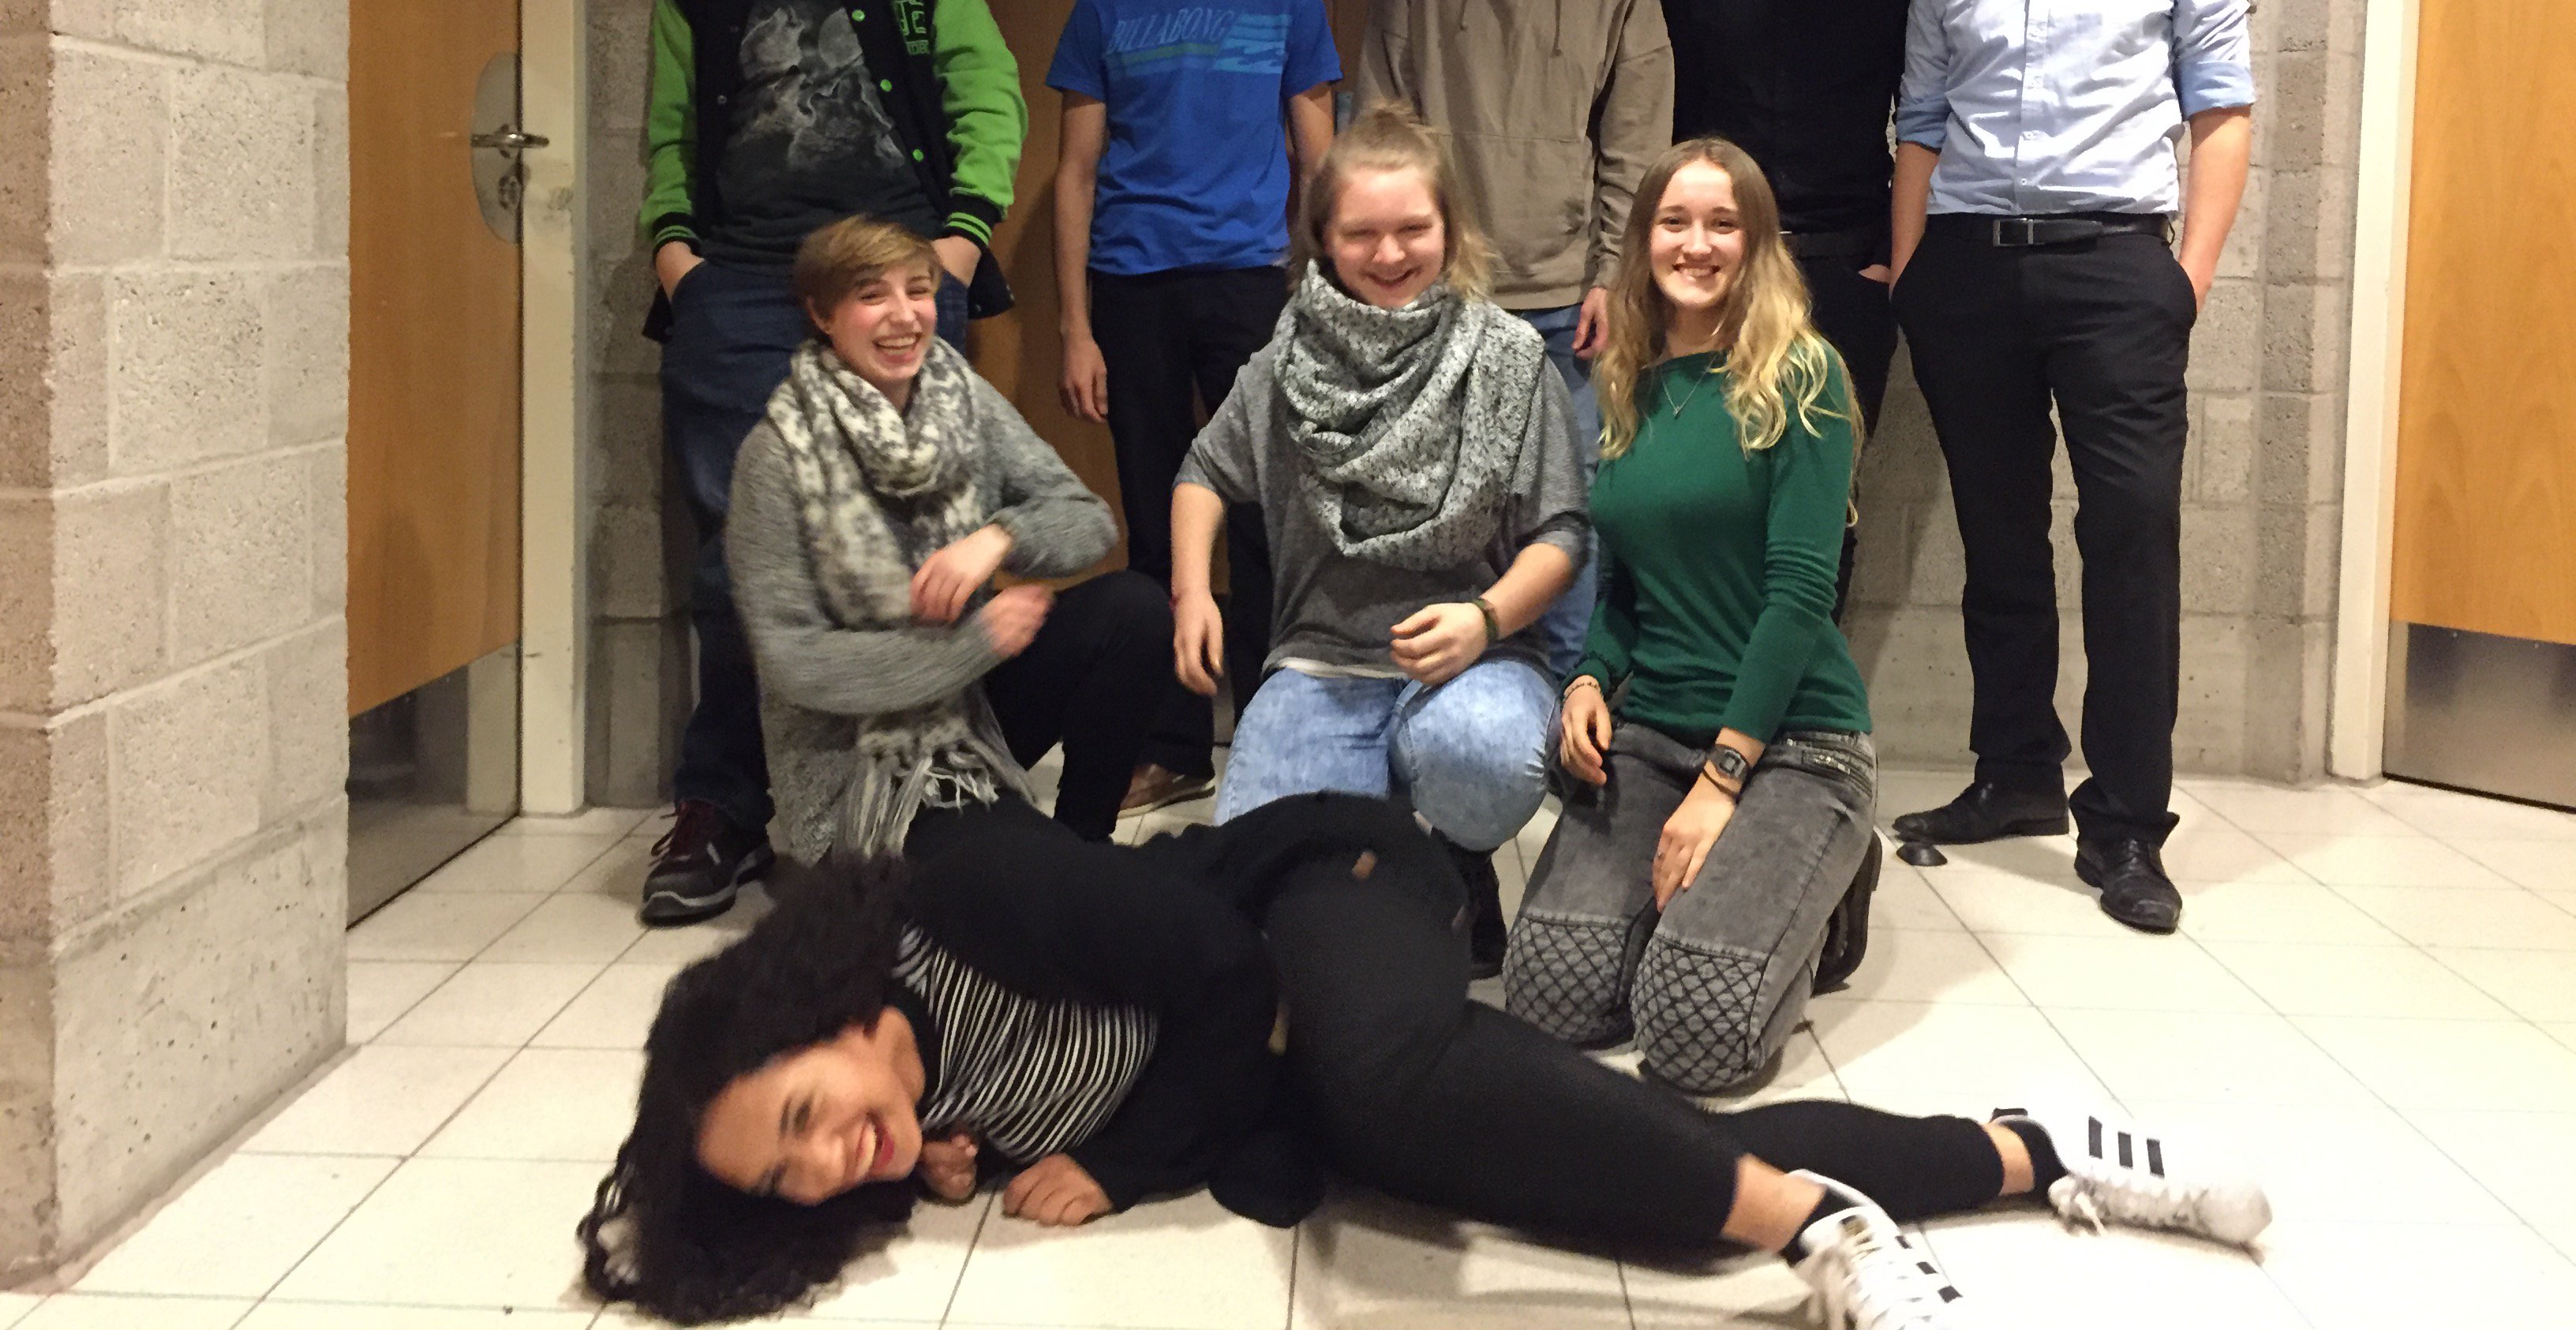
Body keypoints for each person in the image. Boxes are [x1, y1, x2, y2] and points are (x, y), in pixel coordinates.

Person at [577, 792, 2274, 1330]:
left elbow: (1220, 968)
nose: (830, 1159)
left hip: (1325, 886)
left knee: (1397, 1085)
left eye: (802, 1116)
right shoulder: (928, 1118)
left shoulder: (959, 899)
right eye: (791, 1178)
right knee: (1578, 1149)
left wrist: (1130, 1158)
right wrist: (965, 1148)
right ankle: (2036, 1150)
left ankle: (1811, 1230)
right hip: (1305, 1040)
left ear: (808, 1017)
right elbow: (1208, 1073)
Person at [638, 0, 1029, 925]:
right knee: (737, 560)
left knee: (907, 550)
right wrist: (679, 265)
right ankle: (724, 807)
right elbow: (667, 141)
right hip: (740, 293)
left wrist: (955, 250)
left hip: (896, 285)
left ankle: (918, 796)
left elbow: (991, 99)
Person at [1887, 0, 2256, 935]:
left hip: (2116, 270)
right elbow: (1921, 123)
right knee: (2000, 537)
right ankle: (2015, 774)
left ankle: (2129, 823)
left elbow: (2221, 111)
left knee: (2131, 537)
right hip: (1969, 272)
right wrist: (1911, 269)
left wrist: (2186, 279)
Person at [1506, 139, 1881, 1093]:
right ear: (1644, 239)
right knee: (1548, 996)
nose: (1697, 244)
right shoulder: (1626, 380)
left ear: (1759, 243)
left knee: (1697, 1032)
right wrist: (1589, 677)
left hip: (1793, 741)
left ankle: (1830, 888)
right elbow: (1625, 585)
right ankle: (1714, 908)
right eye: (1675, 222)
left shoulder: (1803, 375)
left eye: (1724, 224)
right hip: (1654, 733)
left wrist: (1722, 780)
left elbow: (1801, 595)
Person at [1175, 104, 1585, 975]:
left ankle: (1457, 859)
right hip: (1322, 662)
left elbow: (1560, 534)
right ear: (1323, 240)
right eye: (1361, 233)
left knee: (1481, 758)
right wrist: (1192, 594)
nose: (1390, 254)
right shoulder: (1284, 366)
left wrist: (1484, 619)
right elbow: (1201, 473)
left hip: (1477, 659)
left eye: (1413, 229)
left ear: (1450, 229)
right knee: (1267, 893)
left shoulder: (1510, 358)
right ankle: (1393, 853)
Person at [1048, 0, 1340, 818]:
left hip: (1253, 286)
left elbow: (1324, 166)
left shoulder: (1289, 1)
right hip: (1132, 289)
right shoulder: (1105, 7)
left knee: (1262, 521)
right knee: (1154, 518)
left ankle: (1265, 737)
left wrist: (1329, 303)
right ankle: (1173, 744)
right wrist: (1076, 327)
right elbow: (1075, 175)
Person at [1352, 0, 1673, 675]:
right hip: (1439, 305)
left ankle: (1570, 704)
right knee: (1426, 513)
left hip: (1568, 309)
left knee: (1570, 522)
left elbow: (1637, 150)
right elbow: (1379, 135)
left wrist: (1612, 278)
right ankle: (1432, 699)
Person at [725, 216, 1168, 864]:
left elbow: (1089, 521)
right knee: (1001, 874)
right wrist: (974, 644)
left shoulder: (963, 399)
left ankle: (1084, 840)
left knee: (1134, 609)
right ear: (822, 315)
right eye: (872, 295)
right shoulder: (775, 455)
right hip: (861, 757)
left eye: (919, 289)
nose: (904, 316)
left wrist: (998, 538)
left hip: (971, 710)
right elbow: (796, 662)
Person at [1660, 0, 1919, 614]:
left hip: (1848, 269)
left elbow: (1928, 123)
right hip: (1721, 269)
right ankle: (1720, 681)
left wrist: (1894, 260)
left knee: (1825, 501)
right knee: (1717, 488)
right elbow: (1676, 128)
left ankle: (1807, 686)